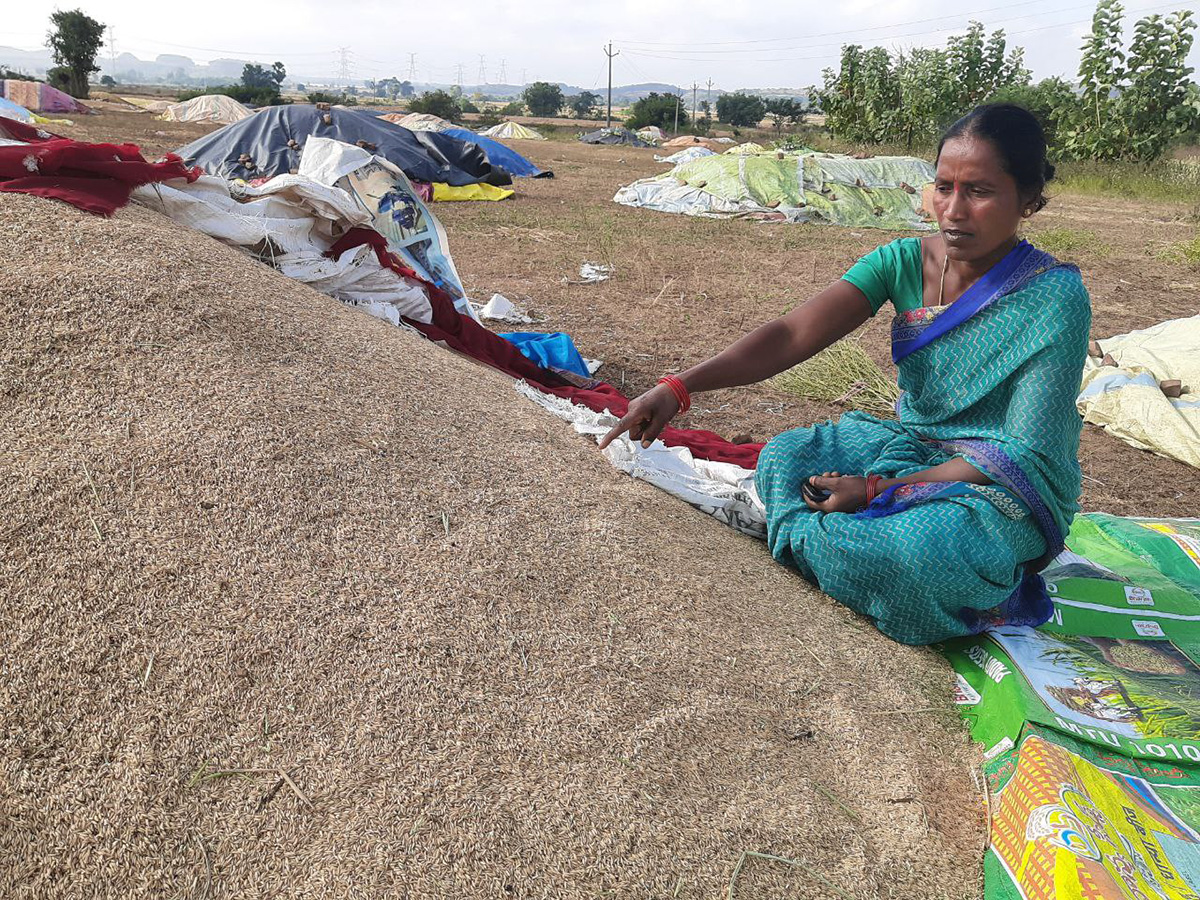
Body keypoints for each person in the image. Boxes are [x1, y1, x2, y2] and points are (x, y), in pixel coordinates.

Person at [599, 104, 1091, 645]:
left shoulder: (1054, 297)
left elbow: (1024, 452)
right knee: (787, 456)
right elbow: (792, 334)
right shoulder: (903, 262)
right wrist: (679, 387)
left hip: (998, 480)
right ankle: (852, 543)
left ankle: (874, 552)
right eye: (943, 187)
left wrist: (879, 488)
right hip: (914, 443)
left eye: (979, 191)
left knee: (921, 552)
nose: (952, 211)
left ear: (1027, 199)